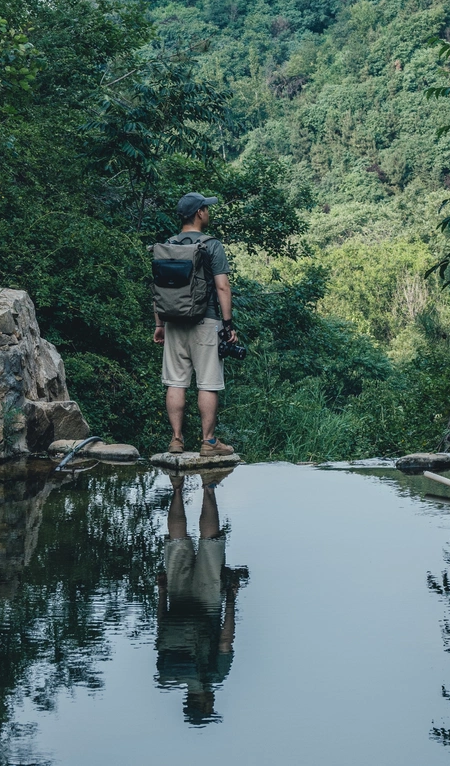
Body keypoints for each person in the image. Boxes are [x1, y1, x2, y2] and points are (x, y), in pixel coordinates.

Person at [156, 470, 249, 725]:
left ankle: (208, 486)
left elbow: (224, 642)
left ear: (204, 703)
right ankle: (177, 485)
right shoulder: (173, 673)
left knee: (210, 543)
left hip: (207, 605)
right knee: (177, 542)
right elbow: (161, 633)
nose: (213, 702)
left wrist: (231, 597)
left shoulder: (214, 677)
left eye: (209, 707)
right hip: (177, 600)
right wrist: (162, 593)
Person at [153, 192, 237, 456]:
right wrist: (228, 324)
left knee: (175, 382)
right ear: (199, 213)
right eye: (206, 209)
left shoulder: (168, 245)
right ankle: (208, 442)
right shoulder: (212, 245)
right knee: (208, 383)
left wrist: (160, 324)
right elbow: (222, 287)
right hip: (206, 321)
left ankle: (176, 440)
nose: (208, 213)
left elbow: (158, 289)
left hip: (174, 322)